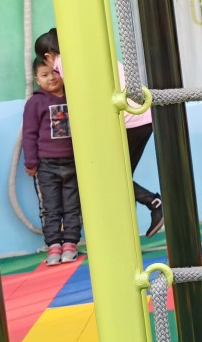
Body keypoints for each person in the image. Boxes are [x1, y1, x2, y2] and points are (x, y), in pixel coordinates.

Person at [35, 29, 164, 238]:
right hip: (143, 116)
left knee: (112, 176)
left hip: (128, 121)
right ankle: (131, 224)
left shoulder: (63, 62)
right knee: (120, 177)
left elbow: (82, 100)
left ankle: (153, 204)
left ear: (48, 56)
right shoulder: (89, 52)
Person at [22, 56, 82, 265]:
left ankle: (71, 243)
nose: (51, 78)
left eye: (55, 72)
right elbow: (29, 134)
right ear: (37, 80)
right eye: (45, 75)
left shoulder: (74, 97)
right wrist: (31, 163)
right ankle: (54, 245)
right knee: (50, 207)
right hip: (47, 165)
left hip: (73, 163)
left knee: (72, 205)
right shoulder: (35, 103)